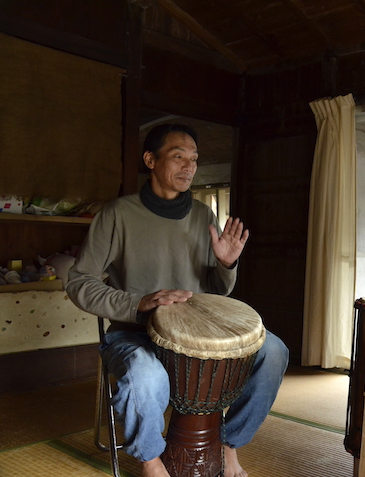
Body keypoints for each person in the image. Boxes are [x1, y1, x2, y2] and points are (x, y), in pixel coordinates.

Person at [66, 123, 289, 477]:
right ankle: (151, 462)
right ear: (150, 159)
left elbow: (215, 292)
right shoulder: (118, 214)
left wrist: (226, 263)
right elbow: (79, 283)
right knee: (144, 372)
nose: (189, 167)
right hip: (135, 333)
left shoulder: (203, 216)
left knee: (273, 351)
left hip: (198, 337)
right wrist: (139, 303)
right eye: (178, 156)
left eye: (195, 159)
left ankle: (230, 446)